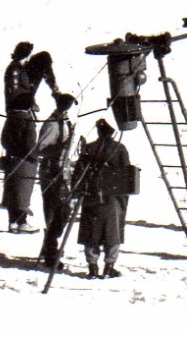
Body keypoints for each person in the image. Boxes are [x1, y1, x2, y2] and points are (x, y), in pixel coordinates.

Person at [2, 43, 58, 232]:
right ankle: (22, 221)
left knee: (12, 186)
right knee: (23, 188)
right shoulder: (16, 71)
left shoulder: (12, 120)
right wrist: (37, 155)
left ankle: (13, 221)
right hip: (25, 161)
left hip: (12, 155)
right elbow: (30, 145)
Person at [74, 118, 133, 279]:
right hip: (113, 198)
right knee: (112, 233)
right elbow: (126, 174)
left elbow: (79, 173)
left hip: (91, 197)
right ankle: (109, 266)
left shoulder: (89, 148)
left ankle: (92, 267)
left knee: (91, 232)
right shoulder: (119, 149)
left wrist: (77, 192)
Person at [36, 93, 79, 271]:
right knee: (55, 213)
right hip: (51, 172)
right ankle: (51, 253)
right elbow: (40, 149)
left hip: (63, 172)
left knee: (64, 211)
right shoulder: (53, 124)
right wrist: (60, 147)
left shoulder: (65, 122)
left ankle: (49, 247)